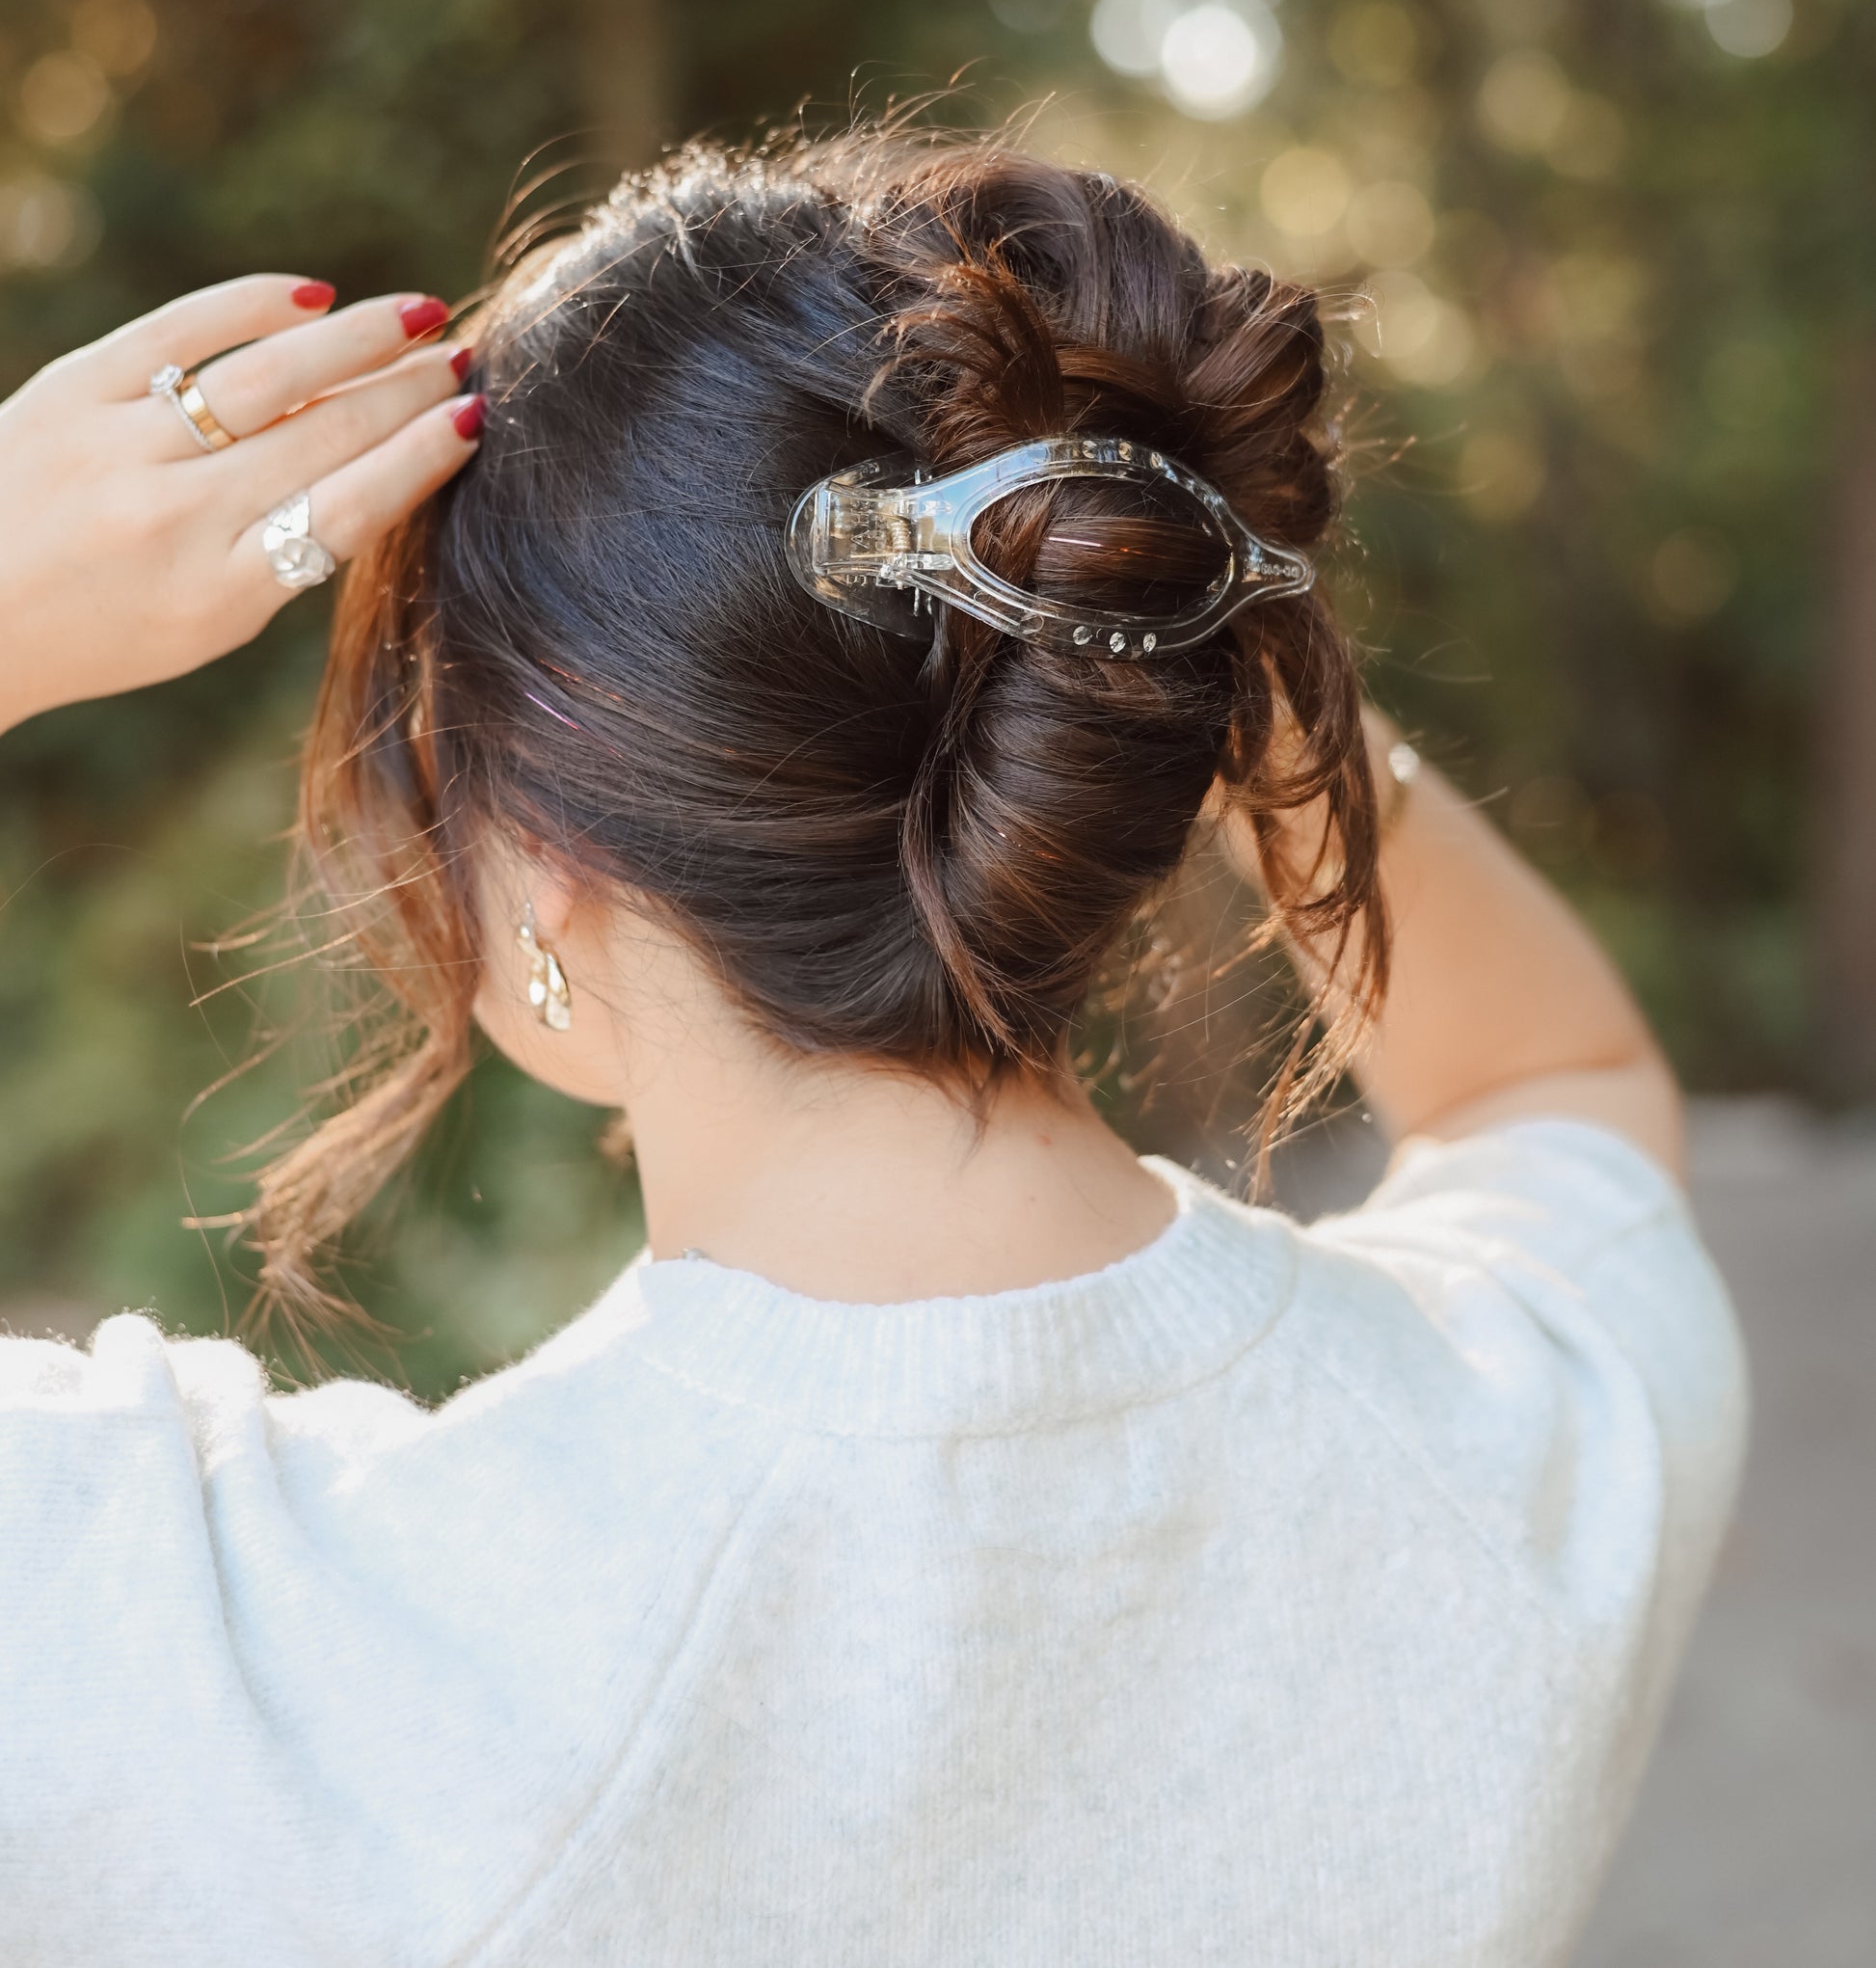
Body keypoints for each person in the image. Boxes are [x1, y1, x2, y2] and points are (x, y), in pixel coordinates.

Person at [0, 135, 1744, 1967]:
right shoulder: (1523, 1450)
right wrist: (1172, 622)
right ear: (1107, 748)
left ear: (538, 852)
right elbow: (1552, 1083)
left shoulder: (255, 1668)